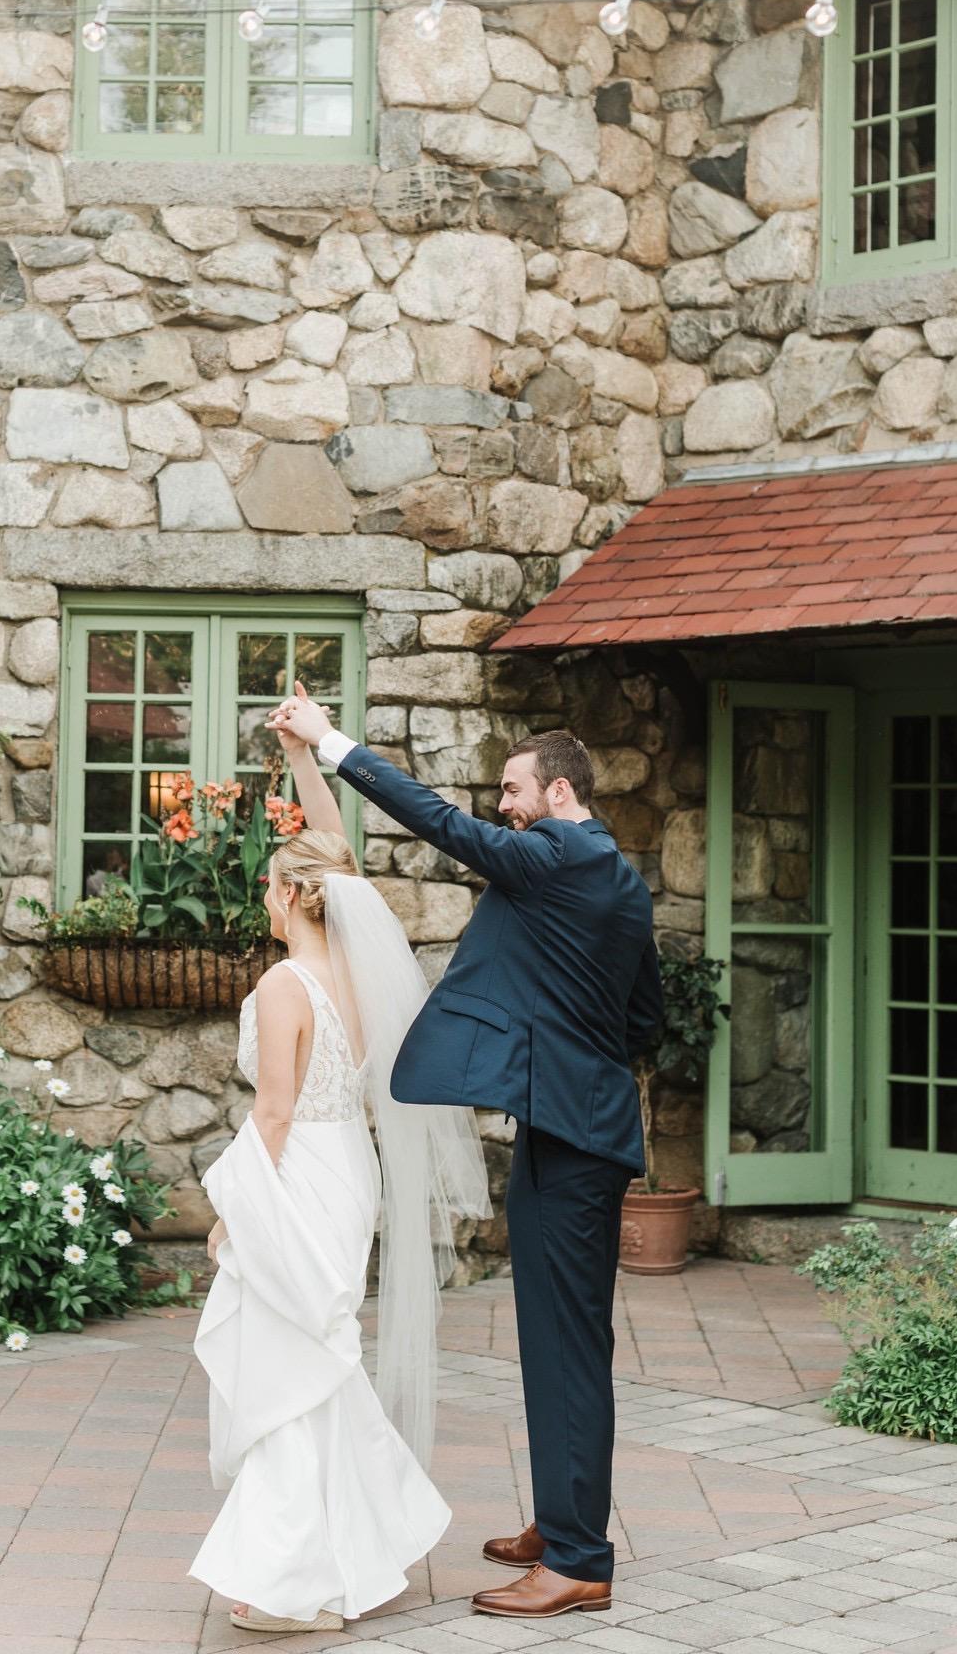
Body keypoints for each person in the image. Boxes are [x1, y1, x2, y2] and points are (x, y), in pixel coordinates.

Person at [271, 684, 663, 1624]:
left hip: (573, 1141)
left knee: (565, 1348)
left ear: (560, 794)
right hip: (571, 1127)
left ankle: (577, 1559)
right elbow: (642, 1017)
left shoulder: (561, 853)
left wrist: (332, 745)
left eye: (515, 790)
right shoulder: (614, 878)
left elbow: (447, 827)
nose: (504, 806)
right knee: (555, 1341)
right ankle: (564, 1522)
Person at [188, 735, 490, 1633]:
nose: (264, 900)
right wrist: (303, 757)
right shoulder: (355, 970)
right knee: (317, 1361)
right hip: (345, 1168)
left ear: (289, 894)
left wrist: (230, 1213)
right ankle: (340, 1556)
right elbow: (334, 849)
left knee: (288, 1364)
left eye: (269, 886)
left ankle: (291, 1582)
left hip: (298, 1173)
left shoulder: (286, 983)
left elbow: (272, 1115)